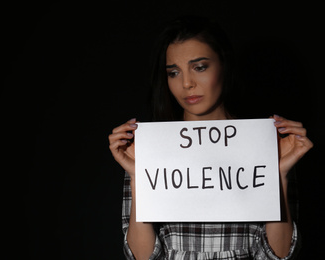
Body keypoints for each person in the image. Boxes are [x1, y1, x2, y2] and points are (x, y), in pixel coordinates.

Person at [108, 16, 313, 260]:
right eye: (174, 72)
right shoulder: (148, 148)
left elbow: (279, 256)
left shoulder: (268, 145)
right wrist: (137, 176)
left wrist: (278, 175)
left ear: (224, 66)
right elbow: (141, 257)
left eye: (200, 67)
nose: (186, 83)